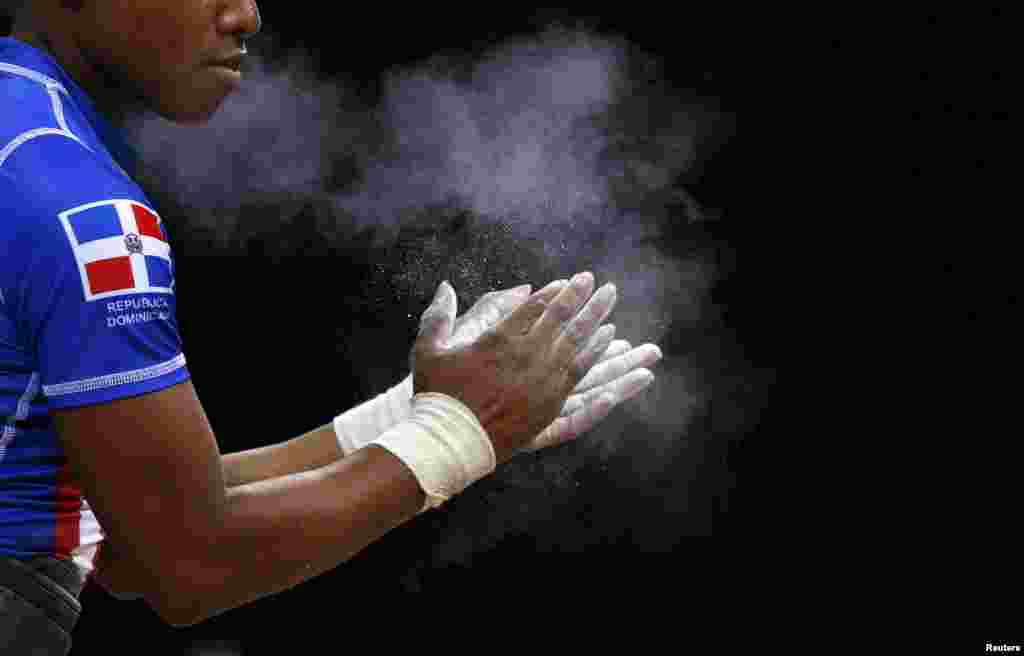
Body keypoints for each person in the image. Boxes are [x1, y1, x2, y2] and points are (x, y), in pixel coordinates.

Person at [0, 0, 663, 653]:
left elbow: (126, 529)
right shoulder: (81, 209)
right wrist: (455, 432)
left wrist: (409, 418)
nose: (246, 15)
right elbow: (183, 565)